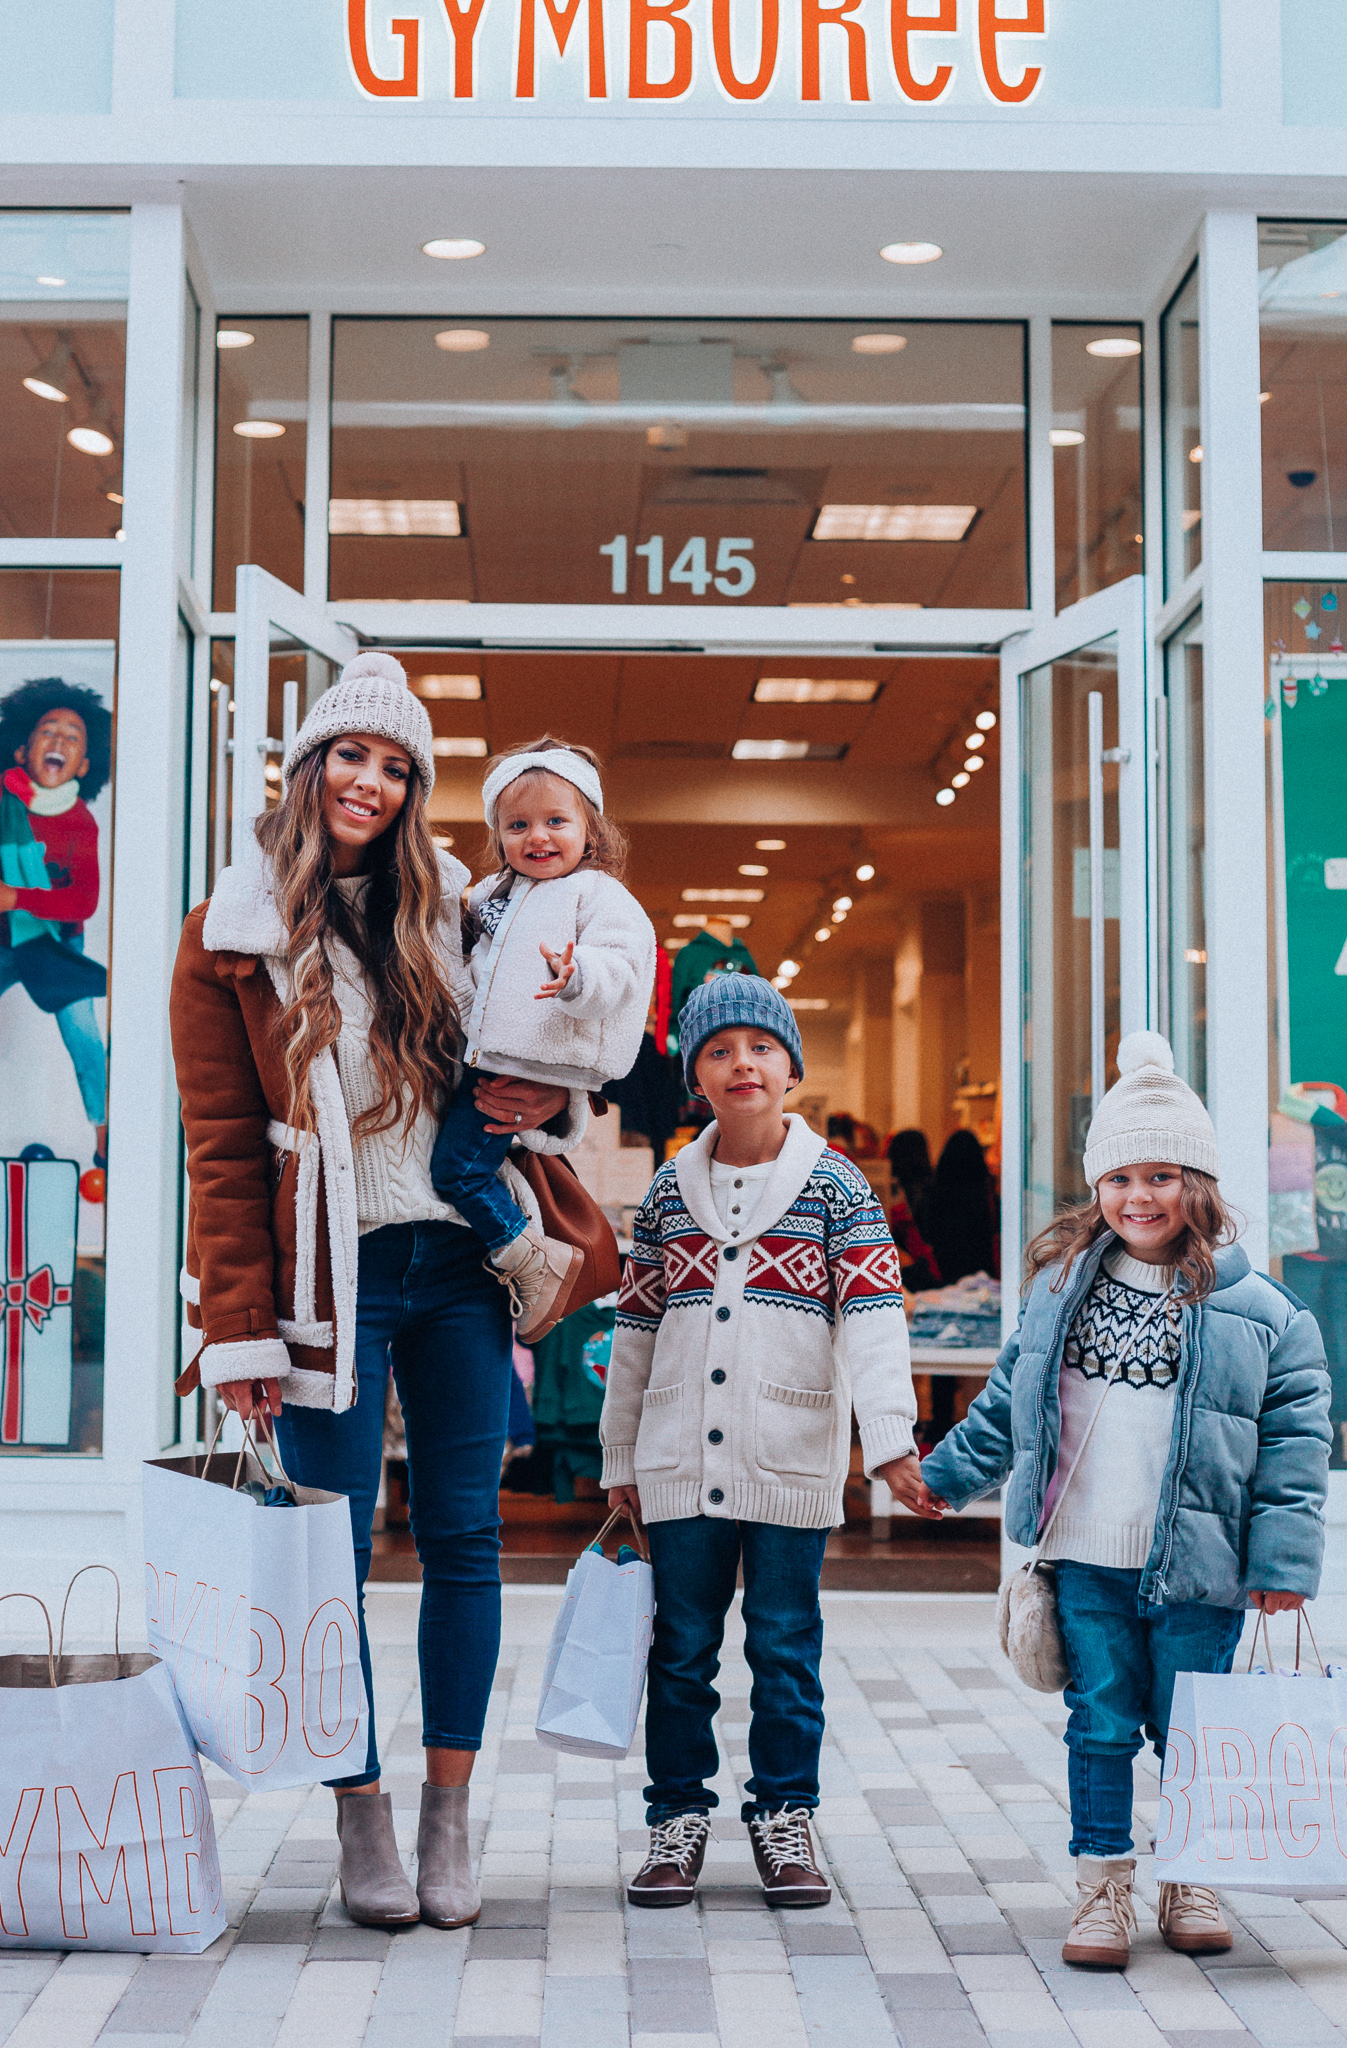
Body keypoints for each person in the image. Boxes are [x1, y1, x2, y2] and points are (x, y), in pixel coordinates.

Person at [170, 651, 587, 1933]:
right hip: (322, 1280)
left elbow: (543, 1068)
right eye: (353, 754)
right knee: (332, 1552)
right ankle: (361, 1813)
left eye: (398, 766)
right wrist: (234, 1324)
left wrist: (550, 1080)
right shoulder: (229, 936)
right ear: (310, 767)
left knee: (466, 1536)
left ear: (414, 792)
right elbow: (224, 1147)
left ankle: (448, 1809)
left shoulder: (458, 911)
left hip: (454, 1262)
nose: (371, 780)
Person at [894, 1031, 1331, 1971]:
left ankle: (1192, 1872)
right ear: (1096, 1188)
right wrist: (940, 1476)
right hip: (1086, 1550)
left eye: (1163, 1176)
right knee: (1097, 1719)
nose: (1140, 1197)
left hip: (1201, 1570)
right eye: (1120, 1177)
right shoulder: (1060, 1292)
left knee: (1190, 1728)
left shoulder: (1263, 1315)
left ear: (1198, 1187)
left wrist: (1283, 1567)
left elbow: (1296, 1452)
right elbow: (1009, 1403)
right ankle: (1101, 1885)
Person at [600, 976, 919, 1909]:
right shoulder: (666, 1189)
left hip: (789, 1455)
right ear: (693, 1076)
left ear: (791, 1068)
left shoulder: (836, 1187)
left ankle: (786, 1818)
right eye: (718, 1049)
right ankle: (675, 1821)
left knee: (784, 1647)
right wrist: (620, 1461)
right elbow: (634, 1335)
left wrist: (889, 1440)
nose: (742, 1062)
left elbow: (873, 1319)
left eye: (761, 1046)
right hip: (675, 1463)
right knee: (682, 1648)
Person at [430, 735, 656, 1339]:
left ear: (591, 831)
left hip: (527, 1064)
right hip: (492, 1058)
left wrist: (576, 975)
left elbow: (623, 967)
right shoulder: (494, 894)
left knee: (457, 1172)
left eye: (557, 821)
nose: (538, 837)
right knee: (475, 1166)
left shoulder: (599, 895)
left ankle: (535, 1260)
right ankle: (525, 1251)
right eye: (517, 825)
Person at [0, 678, 112, 1158]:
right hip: (3, 942)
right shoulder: (3, 803)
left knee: (85, 1037)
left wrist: (18, 898)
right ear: (22, 750)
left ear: (84, 765)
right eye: (49, 731)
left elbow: (82, 902)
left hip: (59, 944)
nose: (60, 741)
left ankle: (106, 1132)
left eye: (73, 737)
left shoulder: (79, 822)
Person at [927, 1127, 999, 1283]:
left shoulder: (935, 1194)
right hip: (982, 1265)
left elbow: (928, 1231)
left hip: (945, 1265)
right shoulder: (986, 1194)